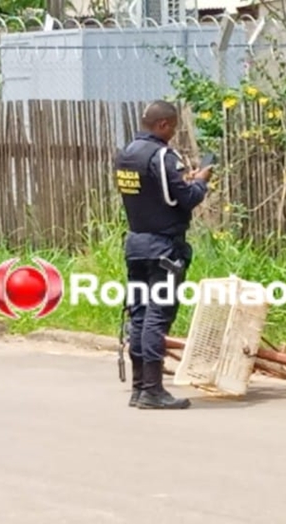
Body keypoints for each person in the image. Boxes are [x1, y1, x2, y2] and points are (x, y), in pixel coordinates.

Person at [114, 100, 213, 409]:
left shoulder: (126, 153)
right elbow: (183, 199)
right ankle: (154, 391)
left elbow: (154, 194)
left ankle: (140, 388)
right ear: (163, 125)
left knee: (141, 316)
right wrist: (201, 182)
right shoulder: (162, 155)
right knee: (157, 317)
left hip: (136, 245)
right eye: (172, 127)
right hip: (163, 248)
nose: (173, 132)